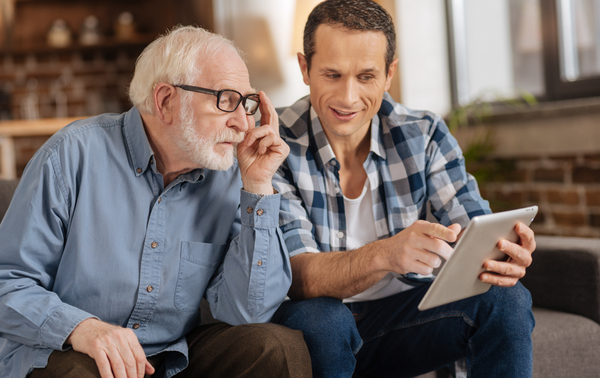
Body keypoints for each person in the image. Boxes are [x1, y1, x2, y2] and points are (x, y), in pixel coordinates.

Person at [0, 25, 312, 378]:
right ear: (165, 100)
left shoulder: (230, 174)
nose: (242, 123)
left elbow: (248, 312)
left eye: (247, 103)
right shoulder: (71, 155)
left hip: (173, 356)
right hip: (74, 353)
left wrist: (258, 186)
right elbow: (7, 281)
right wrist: (81, 328)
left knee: (278, 349)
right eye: (226, 100)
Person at [270, 1, 536, 377]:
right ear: (304, 68)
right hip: (315, 322)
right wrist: (385, 255)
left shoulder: (423, 133)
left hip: (401, 321)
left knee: (505, 299)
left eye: (366, 76)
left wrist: (503, 253)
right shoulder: (274, 141)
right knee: (324, 320)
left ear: (389, 73)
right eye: (332, 75)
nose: (348, 97)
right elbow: (299, 276)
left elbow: (473, 225)